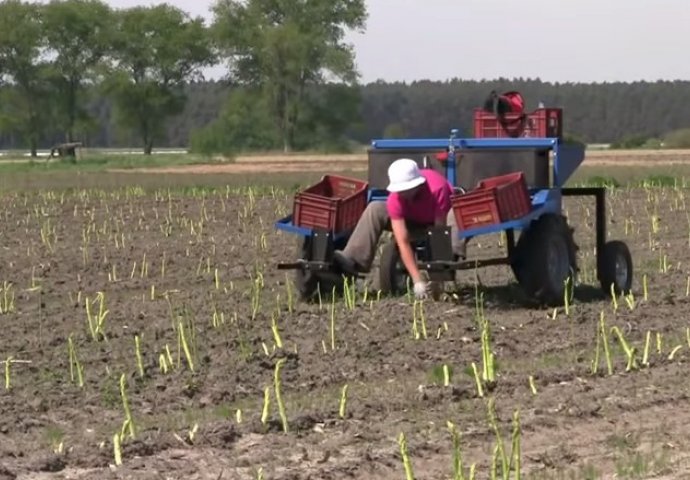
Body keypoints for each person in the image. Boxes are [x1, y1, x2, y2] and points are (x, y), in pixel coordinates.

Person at [333, 158, 465, 299]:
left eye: (407, 190)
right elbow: (403, 241)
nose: (403, 194)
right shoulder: (395, 199)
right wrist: (417, 280)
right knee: (375, 208)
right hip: (412, 221)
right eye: (400, 190)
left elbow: (439, 233)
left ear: (417, 185)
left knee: (454, 219)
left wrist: (437, 277)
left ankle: (445, 273)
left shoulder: (437, 189)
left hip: (441, 222)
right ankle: (353, 261)